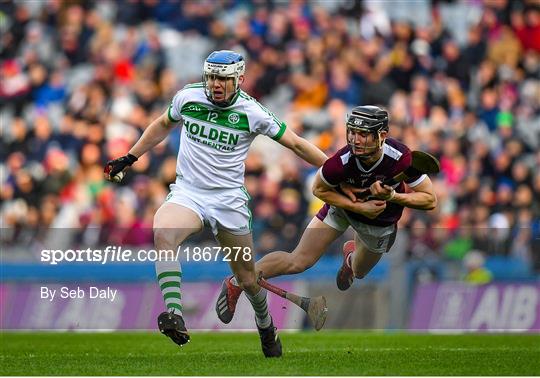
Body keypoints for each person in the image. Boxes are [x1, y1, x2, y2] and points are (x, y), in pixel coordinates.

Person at [104, 50, 329, 357]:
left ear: (240, 80)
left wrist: (336, 169)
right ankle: (175, 314)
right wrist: (130, 157)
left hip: (228, 201)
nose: (216, 84)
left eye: (223, 79)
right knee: (163, 233)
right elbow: (161, 124)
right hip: (189, 193)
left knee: (249, 279)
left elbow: (296, 143)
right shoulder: (188, 98)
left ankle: (266, 327)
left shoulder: (253, 112)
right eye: (212, 77)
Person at [216, 105, 438, 324]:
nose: (356, 140)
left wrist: (393, 197)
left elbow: (429, 199)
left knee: (359, 272)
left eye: (363, 134)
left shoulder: (400, 157)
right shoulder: (342, 161)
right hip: (342, 208)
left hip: (379, 222)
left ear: (382, 136)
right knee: (298, 261)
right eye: (352, 132)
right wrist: (358, 207)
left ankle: (350, 258)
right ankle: (238, 281)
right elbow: (318, 189)